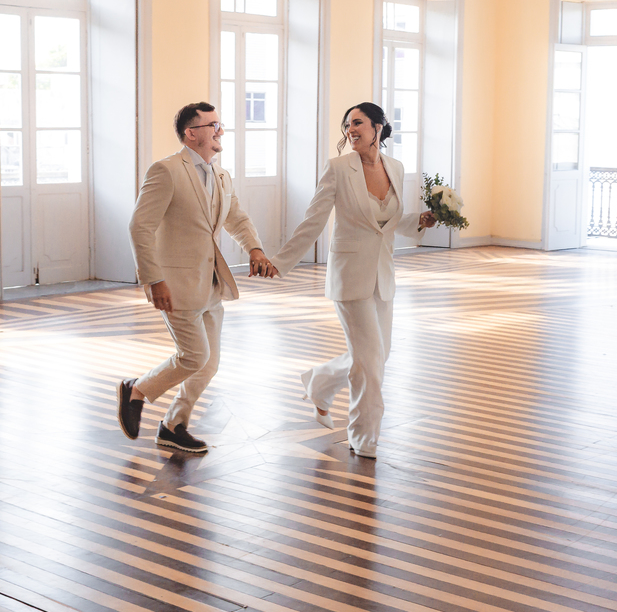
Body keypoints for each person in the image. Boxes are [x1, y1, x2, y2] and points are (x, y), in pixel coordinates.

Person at [269, 103, 436, 458]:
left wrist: (419, 221)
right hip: (349, 276)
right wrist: (280, 263)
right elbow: (313, 221)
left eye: (358, 122)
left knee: (377, 355)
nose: (350, 129)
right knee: (369, 361)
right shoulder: (337, 169)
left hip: (383, 276)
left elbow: (388, 222)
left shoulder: (396, 167)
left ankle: (319, 382)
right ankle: (363, 436)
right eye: (347, 124)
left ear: (378, 127)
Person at [117, 102, 277, 453]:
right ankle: (137, 390)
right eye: (213, 125)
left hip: (211, 284)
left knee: (209, 364)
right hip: (175, 285)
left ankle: (174, 425)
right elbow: (139, 226)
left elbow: (235, 216)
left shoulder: (221, 174)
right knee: (193, 357)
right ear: (192, 133)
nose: (221, 131)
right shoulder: (166, 170)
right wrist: (152, 279)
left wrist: (255, 249)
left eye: (220, 124)